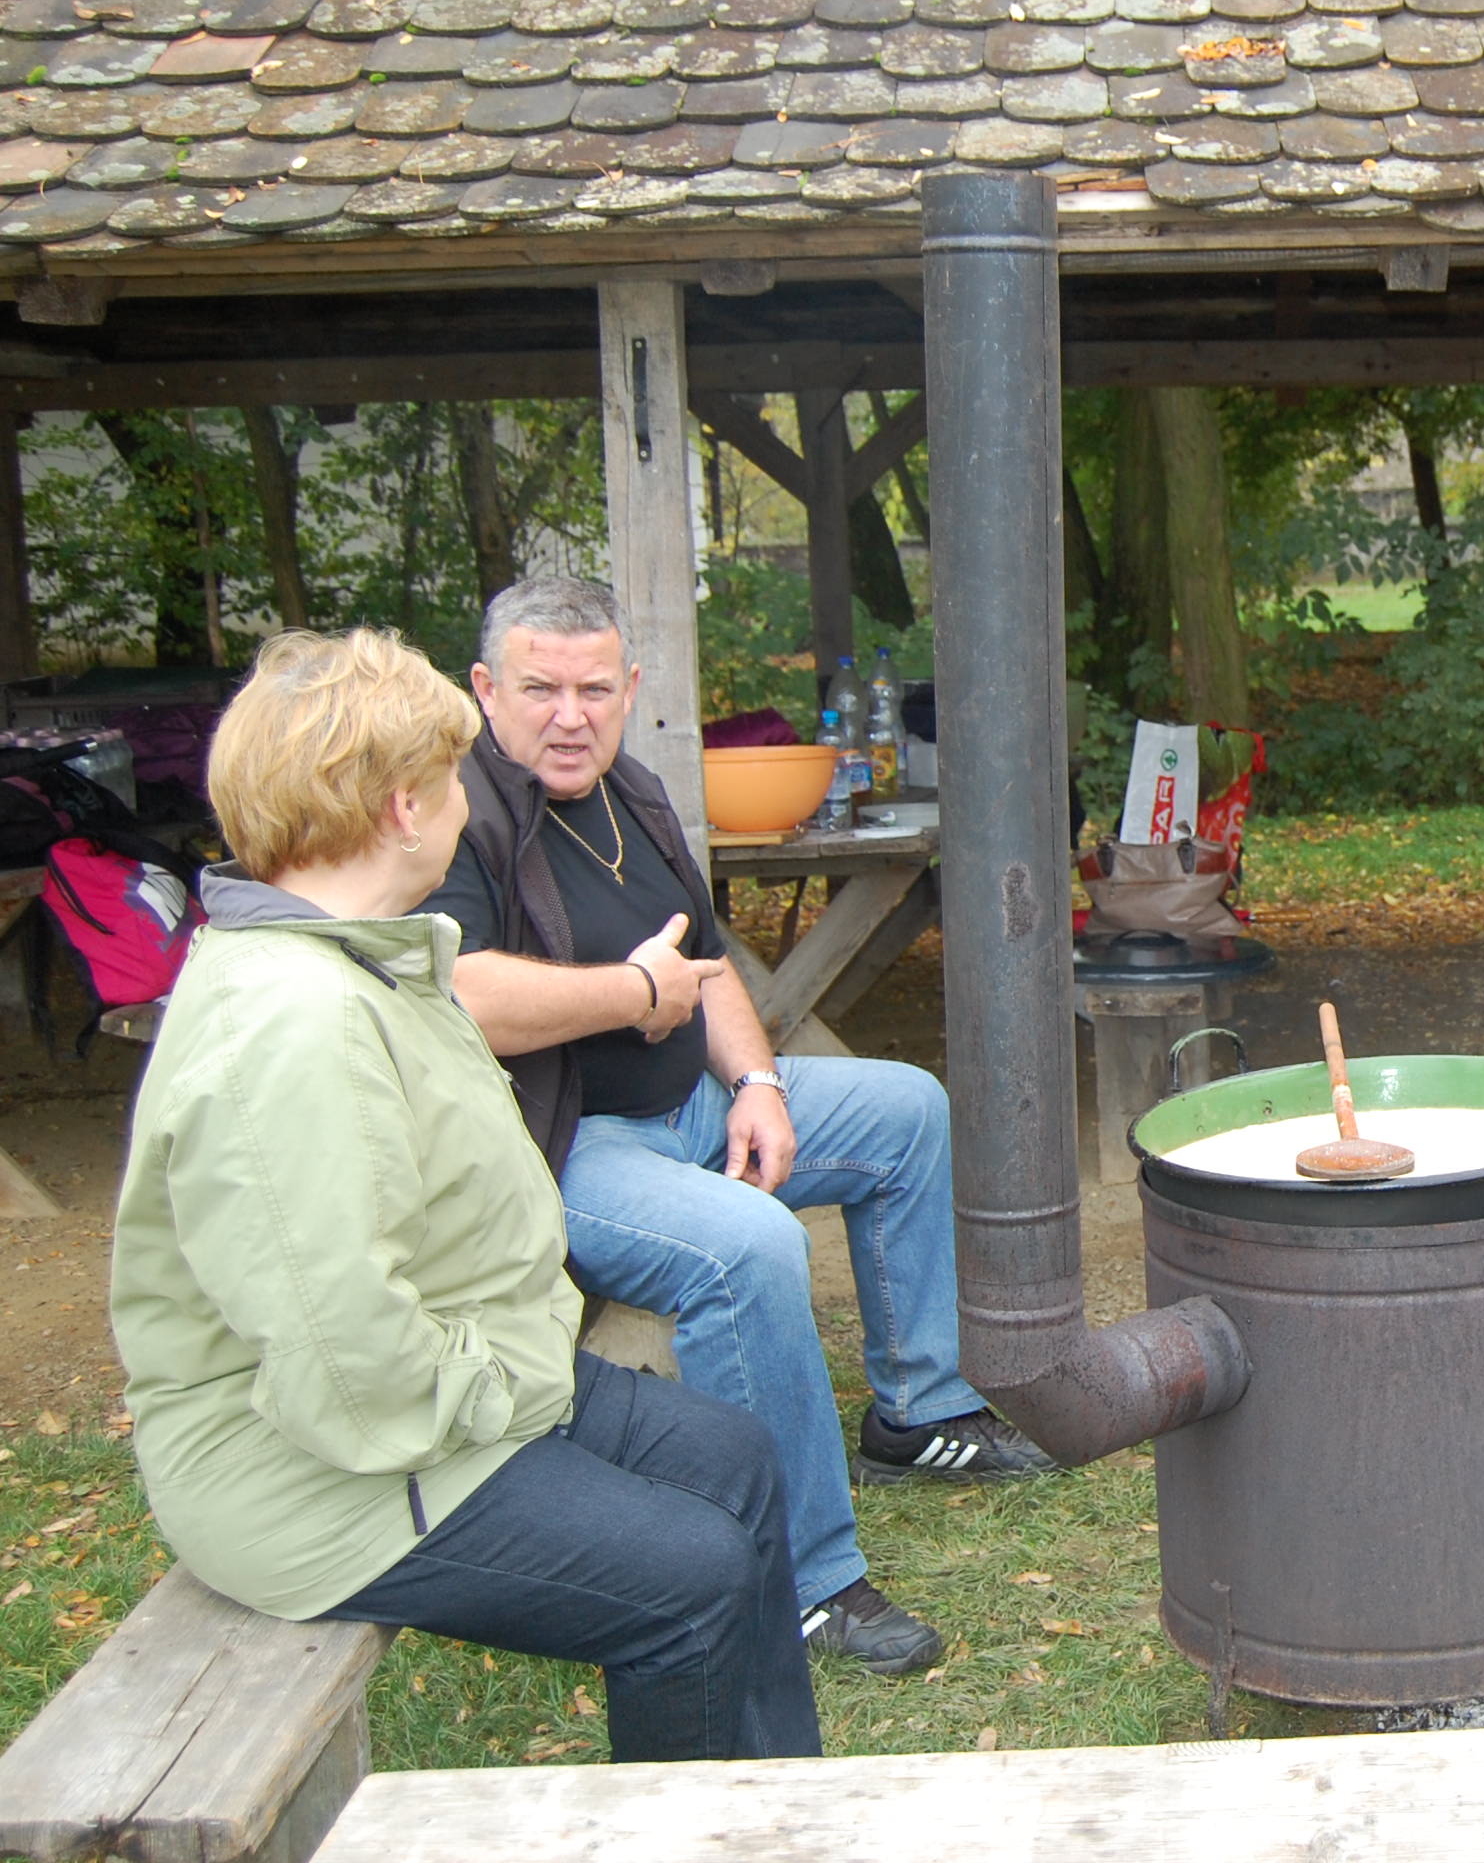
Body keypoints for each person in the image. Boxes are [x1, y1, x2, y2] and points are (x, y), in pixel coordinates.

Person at [112, 629, 819, 1761]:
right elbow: (346, 1364)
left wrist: (520, 1366)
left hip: (453, 1378)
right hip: (310, 1466)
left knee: (731, 1456)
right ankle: (693, 1829)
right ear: (404, 809)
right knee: (690, 1578)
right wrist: (511, 1390)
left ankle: (776, 1809)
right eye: (452, 779)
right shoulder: (292, 1024)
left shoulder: (370, 959)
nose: (467, 800)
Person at [421, 576, 1044, 1678]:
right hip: (562, 1148)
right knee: (745, 1248)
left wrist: (755, 1080)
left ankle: (918, 1410)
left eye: (593, 690)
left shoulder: (635, 792)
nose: (569, 716)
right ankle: (804, 1580)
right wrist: (631, 994)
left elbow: (704, 968)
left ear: (630, 688)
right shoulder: (457, 813)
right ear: (484, 688)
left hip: (696, 1105)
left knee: (905, 1108)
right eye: (540, 690)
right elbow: (460, 996)